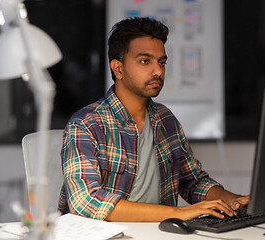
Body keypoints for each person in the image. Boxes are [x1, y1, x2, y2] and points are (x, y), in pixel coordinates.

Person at [58, 17, 249, 222]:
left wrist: (234, 202)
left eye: (162, 62)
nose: (158, 71)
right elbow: (86, 201)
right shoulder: (86, 125)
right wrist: (179, 213)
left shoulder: (165, 119)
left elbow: (193, 182)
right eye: (145, 61)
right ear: (118, 69)